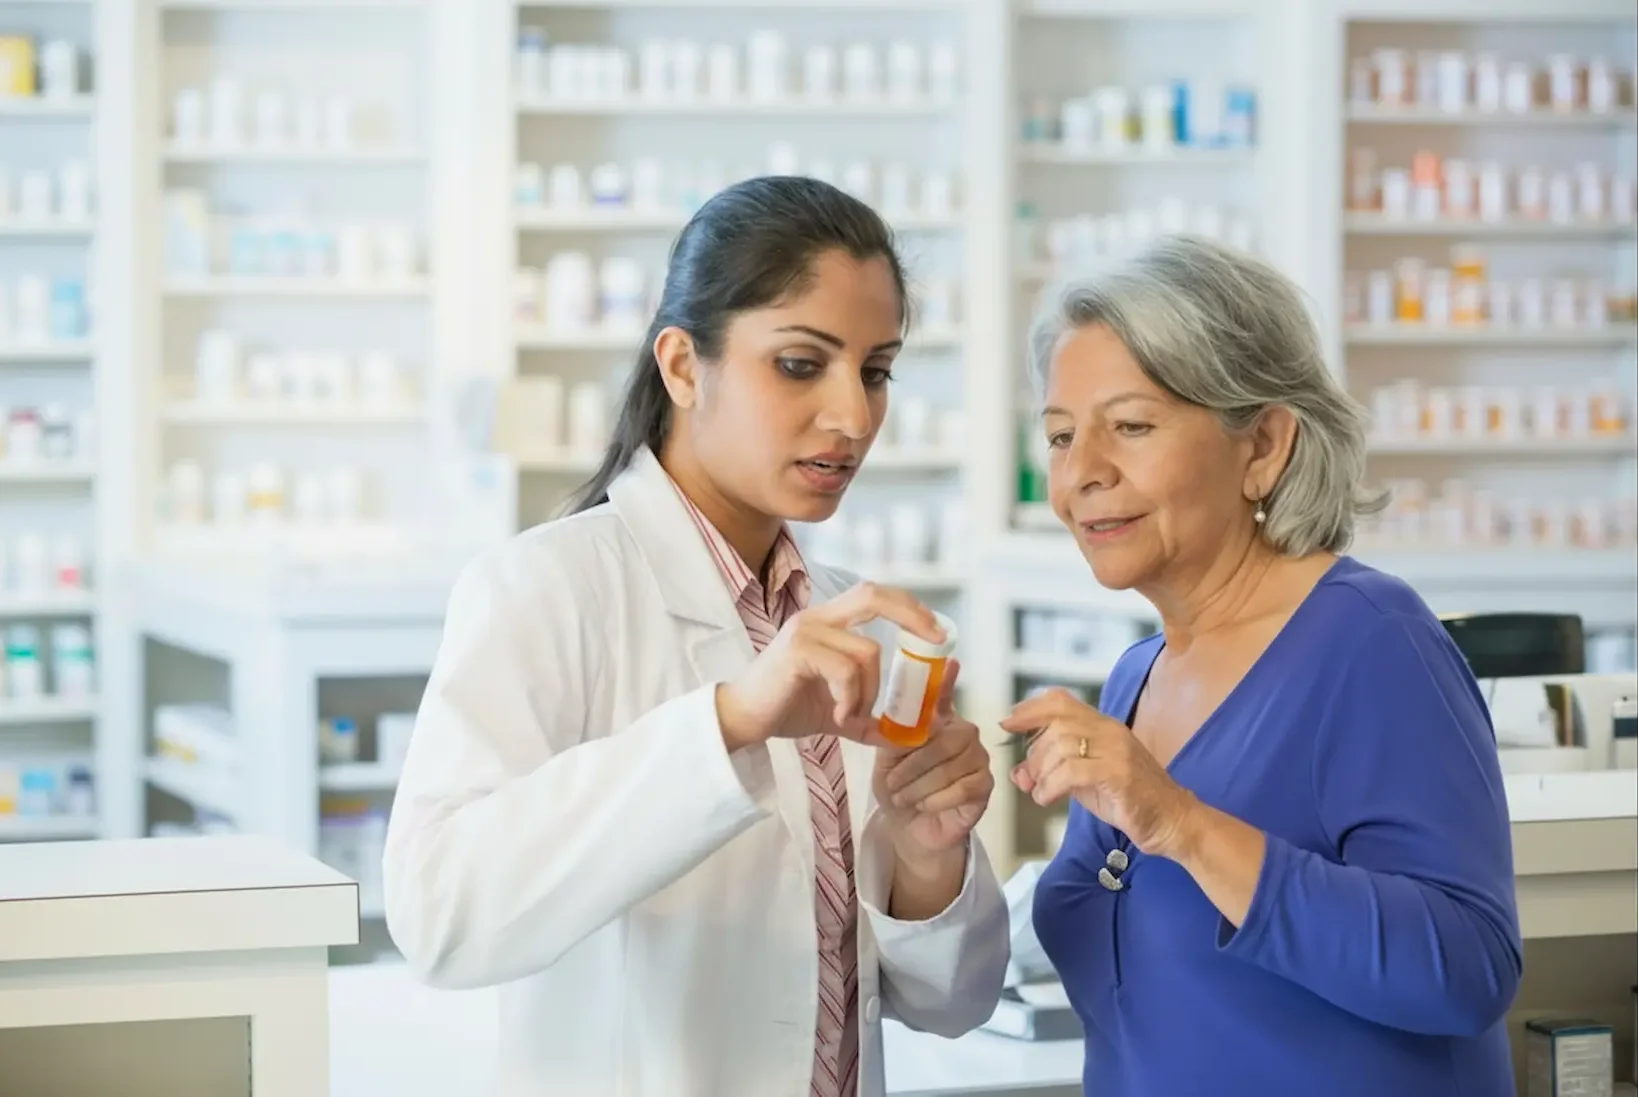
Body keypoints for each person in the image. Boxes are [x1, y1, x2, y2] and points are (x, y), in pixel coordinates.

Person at [382, 176, 1009, 1097]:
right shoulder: (546, 587)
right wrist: (729, 723)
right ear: (682, 366)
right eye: (802, 363)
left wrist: (927, 857)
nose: (854, 417)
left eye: (875, 371)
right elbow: (440, 915)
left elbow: (951, 1002)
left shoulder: (845, 621)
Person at [1005, 235, 1522, 1097]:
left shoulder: (1371, 641)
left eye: (1130, 426)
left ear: (1264, 446)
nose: (1082, 473)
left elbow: (1465, 967)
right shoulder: (1138, 676)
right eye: (1061, 437)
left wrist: (1181, 823)